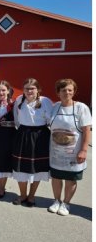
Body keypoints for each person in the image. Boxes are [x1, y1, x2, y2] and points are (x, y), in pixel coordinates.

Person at [48, 79, 91, 216]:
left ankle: (66, 203)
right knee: (56, 177)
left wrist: (84, 150)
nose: (67, 92)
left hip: (73, 152)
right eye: (63, 90)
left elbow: (86, 131)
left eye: (70, 90)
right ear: (58, 93)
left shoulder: (81, 108)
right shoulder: (55, 107)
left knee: (71, 179)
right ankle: (56, 201)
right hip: (56, 151)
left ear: (74, 92)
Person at [11, 78, 53, 206]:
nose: (29, 91)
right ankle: (23, 195)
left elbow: (50, 120)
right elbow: (16, 119)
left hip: (40, 136)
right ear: (23, 90)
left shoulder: (45, 101)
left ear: (38, 89)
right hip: (23, 135)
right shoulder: (19, 100)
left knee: (37, 168)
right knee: (21, 167)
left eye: (32, 88)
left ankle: (31, 196)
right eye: (27, 88)